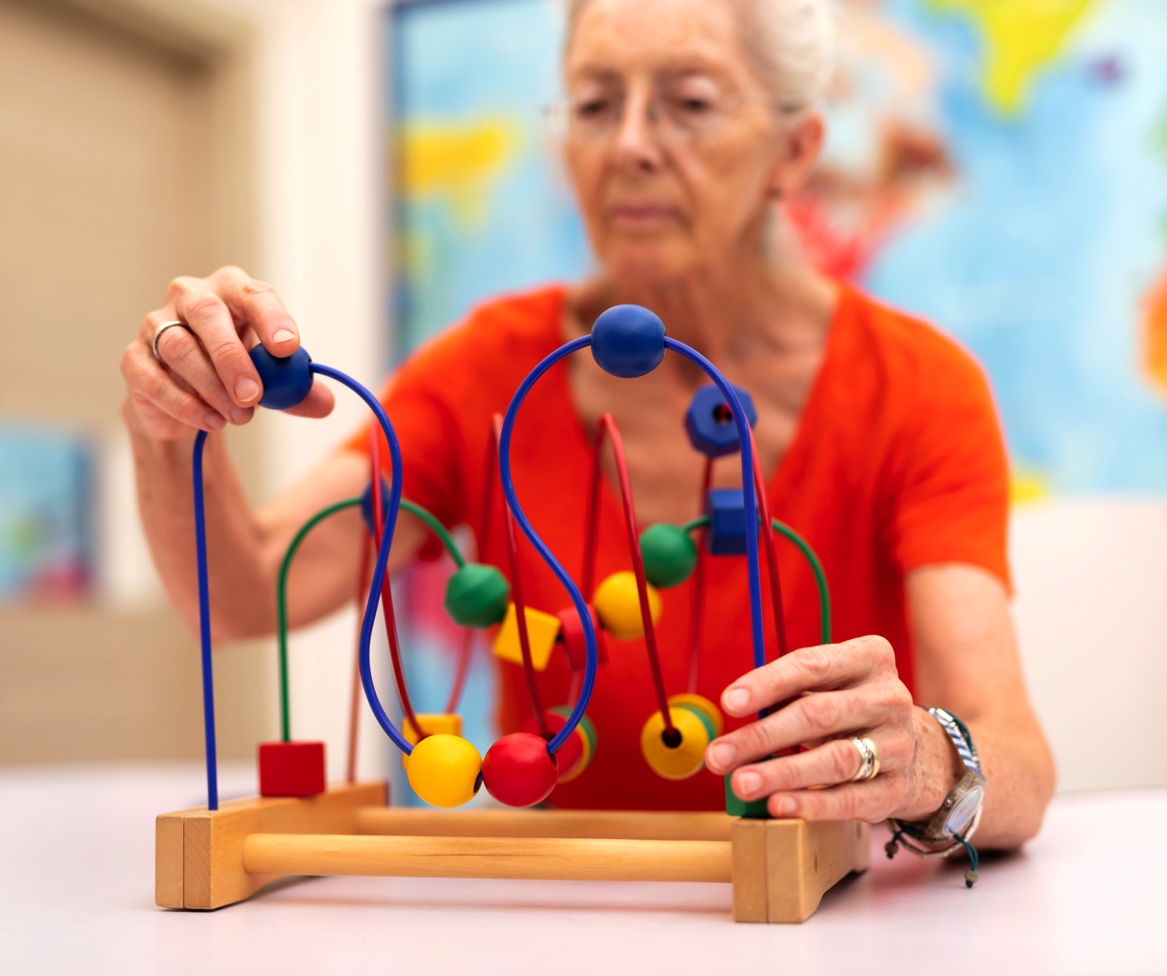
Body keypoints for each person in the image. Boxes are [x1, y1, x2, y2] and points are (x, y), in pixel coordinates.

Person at [119, 0, 1054, 851]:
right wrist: (171, 424)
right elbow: (246, 590)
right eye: (595, 106)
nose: (630, 146)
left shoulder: (917, 386)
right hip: (565, 913)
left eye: (689, 103)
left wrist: (932, 764)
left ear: (795, 151)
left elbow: (1011, 757)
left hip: (821, 927)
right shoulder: (484, 372)